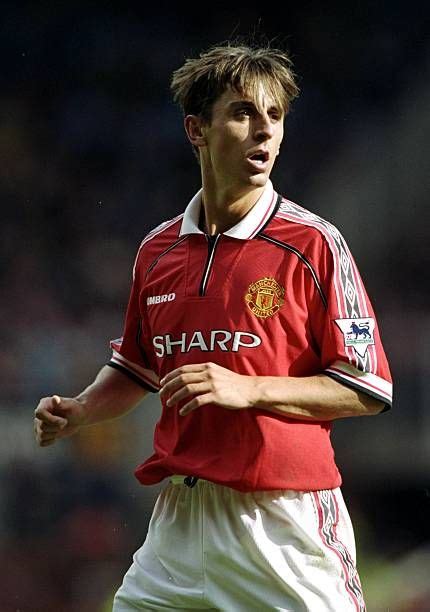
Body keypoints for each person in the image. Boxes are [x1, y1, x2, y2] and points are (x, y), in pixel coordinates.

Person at [34, 42, 392, 611]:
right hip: (180, 521)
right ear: (196, 130)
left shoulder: (314, 244)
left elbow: (366, 387)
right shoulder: (157, 249)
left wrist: (247, 387)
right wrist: (81, 409)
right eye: (243, 112)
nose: (264, 132)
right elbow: (136, 365)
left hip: (282, 526)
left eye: (274, 116)